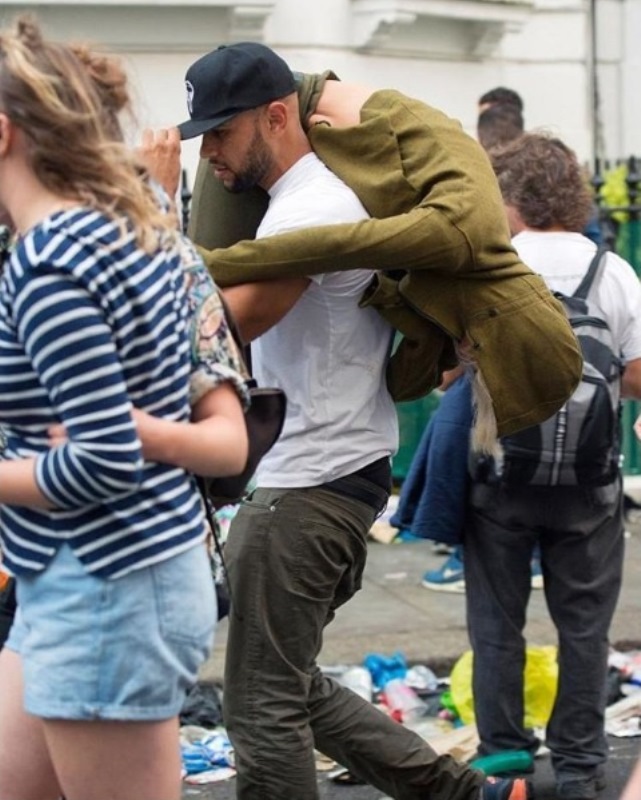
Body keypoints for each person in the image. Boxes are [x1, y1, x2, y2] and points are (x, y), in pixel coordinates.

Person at [175, 42, 532, 800]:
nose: (208, 154)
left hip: (307, 483)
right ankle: (467, 795)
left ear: (275, 117)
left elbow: (221, 332)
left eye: (219, 132)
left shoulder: (313, 212)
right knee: (287, 683)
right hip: (328, 472)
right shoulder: (295, 208)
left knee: (259, 705)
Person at [0, 18, 248, 800]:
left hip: (104, 584)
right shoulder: (133, 235)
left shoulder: (48, 263)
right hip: (90, 573)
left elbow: (104, 458)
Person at [184, 60, 583, 457]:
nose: (465, 362)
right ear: (497, 331)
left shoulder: (453, 289)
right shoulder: (462, 233)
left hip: (310, 136)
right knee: (204, 318)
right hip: (295, 106)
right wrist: (199, 262)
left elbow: (403, 383)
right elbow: (336, 246)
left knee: (213, 336)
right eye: (477, 359)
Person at [463, 133, 641, 800]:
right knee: (584, 629)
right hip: (589, 488)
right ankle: (577, 770)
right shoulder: (612, 271)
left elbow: (455, 362)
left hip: (499, 478)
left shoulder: (491, 263)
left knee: (496, 625)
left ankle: (503, 762)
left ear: (511, 197)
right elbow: (635, 374)